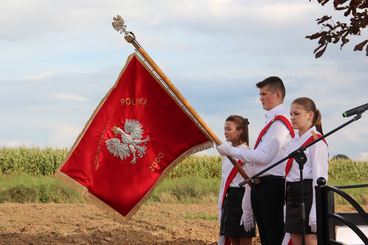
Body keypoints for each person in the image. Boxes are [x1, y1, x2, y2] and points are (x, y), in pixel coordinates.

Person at [217, 76, 295, 245]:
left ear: (277, 94)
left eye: (264, 94)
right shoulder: (272, 122)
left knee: (274, 236)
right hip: (261, 185)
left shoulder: (280, 123)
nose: (260, 98)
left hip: (272, 184)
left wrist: (230, 150)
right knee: (267, 237)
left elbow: (264, 156)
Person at [284, 97, 328, 245]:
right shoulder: (292, 142)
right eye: (291, 114)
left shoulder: (317, 141)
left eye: (296, 114)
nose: (292, 117)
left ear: (310, 115)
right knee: (295, 239)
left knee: (309, 239)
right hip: (292, 193)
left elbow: (320, 177)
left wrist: (315, 211)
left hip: (308, 193)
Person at [218, 115, 255, 245]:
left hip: (243, 198)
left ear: (239, 131)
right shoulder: (228, 152)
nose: (225, 132)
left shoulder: (245, 153)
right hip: (231, 197)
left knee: (244, 238)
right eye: (224, 129)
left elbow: (250, 183)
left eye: (229, 129)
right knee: (233, 239)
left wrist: (247, 210)